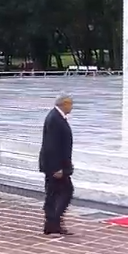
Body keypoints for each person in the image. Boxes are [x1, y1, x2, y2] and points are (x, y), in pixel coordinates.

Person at [38, 93, 74, 236]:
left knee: (57, 193)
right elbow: (51, 146)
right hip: (55, 167)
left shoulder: (57, 117)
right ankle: (53, 222)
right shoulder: (54, 119)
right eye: (70, 104)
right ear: (63, 104)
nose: (72, 107)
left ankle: (54, 223)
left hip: (58, 165)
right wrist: (57, 168)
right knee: (62, 192)